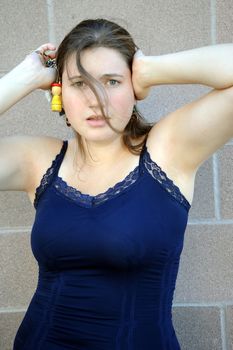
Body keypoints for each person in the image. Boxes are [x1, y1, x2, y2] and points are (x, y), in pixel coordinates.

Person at [0, 18, 232, 350]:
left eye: (112, 81)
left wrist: (152, 69)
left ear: (134, 87)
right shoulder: (36, 160)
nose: (96, 100)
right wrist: (24, 77)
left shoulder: (169, 150)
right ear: (59, 92)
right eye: (79, 83)